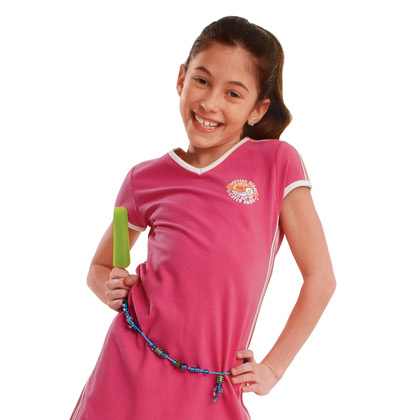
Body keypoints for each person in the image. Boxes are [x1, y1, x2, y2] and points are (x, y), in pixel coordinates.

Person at [70, 15, 336, 420]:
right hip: (123, 376)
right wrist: (108, 284)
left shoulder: (277, 164)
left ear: (257, 109)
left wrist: (272, 368)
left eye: (233, 93)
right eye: (201, 81)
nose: (210, 103)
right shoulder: (143, 180)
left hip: (213, 390)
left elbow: (320, 278)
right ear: (181, 78)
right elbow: (102, 265)